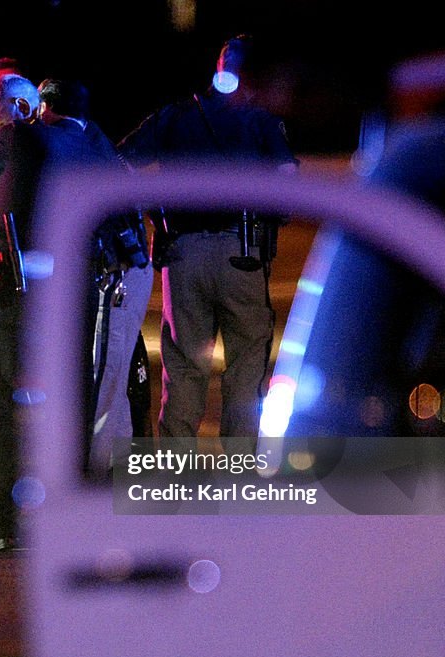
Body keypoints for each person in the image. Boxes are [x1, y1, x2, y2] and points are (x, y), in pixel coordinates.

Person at [0, 74, 112, 552]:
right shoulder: (83, 140)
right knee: (69, 402)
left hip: (13, 291)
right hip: (72, 288)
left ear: (18, 109)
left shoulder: (19, 134)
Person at [118, 34, 298, 448]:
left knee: (182, 372)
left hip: (181, 256)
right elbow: (287, 187)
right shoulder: (262, 120)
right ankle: (239, 483)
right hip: (244, 255)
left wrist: (152, 207)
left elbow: (118, 163)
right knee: (246, 371)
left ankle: (171, 488)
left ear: (217, 70)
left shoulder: (175, 116)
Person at [37, 77, 154, 478]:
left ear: (46, 108)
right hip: (130, 269)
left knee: (103, 380)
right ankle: (118, 477)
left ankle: (97, 480)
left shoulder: (67, 142)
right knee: (113, 380)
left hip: (116, 274)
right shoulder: (94, 139)